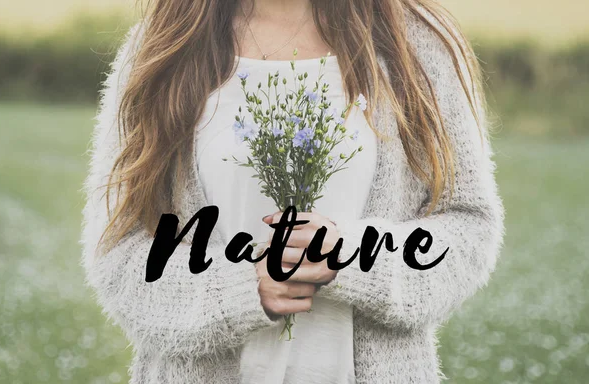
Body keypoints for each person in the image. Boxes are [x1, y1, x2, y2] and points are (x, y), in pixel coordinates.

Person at [81, 0, 505, 383]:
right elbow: (119, 253)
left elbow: (468, 227)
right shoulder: (166, 45)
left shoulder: (416, 42)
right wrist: (239, 291)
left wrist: (353, 258)